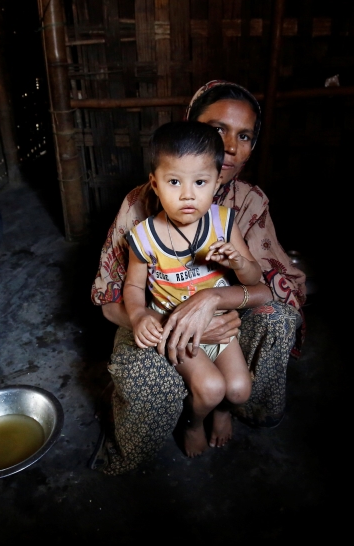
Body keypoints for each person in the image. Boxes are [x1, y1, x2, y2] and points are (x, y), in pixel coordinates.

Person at [91, 80, 306, 474]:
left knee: (253, 360)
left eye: (244, 136)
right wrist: (165, 323)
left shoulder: (242, 207)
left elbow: (264, 286)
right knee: (177, 380)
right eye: (217, 129)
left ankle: (240, 410)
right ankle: (178, 424)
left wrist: (215, 301)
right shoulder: (142, 212)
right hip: (161, 319)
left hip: (226, 317)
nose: (229, 146)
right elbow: (115, 297)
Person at [125, 121, 263, 457]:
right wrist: (139, 314)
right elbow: (133, 284)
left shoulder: (223, 223)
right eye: (174, 181)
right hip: (179, 333)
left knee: (239, 390)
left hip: (219, 325)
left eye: (200, 182)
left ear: (216, 182)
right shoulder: (144, 236)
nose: (188, 194)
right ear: (155, 184)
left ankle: (223, 412)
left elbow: (254, 279)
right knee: (211, 388)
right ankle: (193, 422)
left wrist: (238, 263)